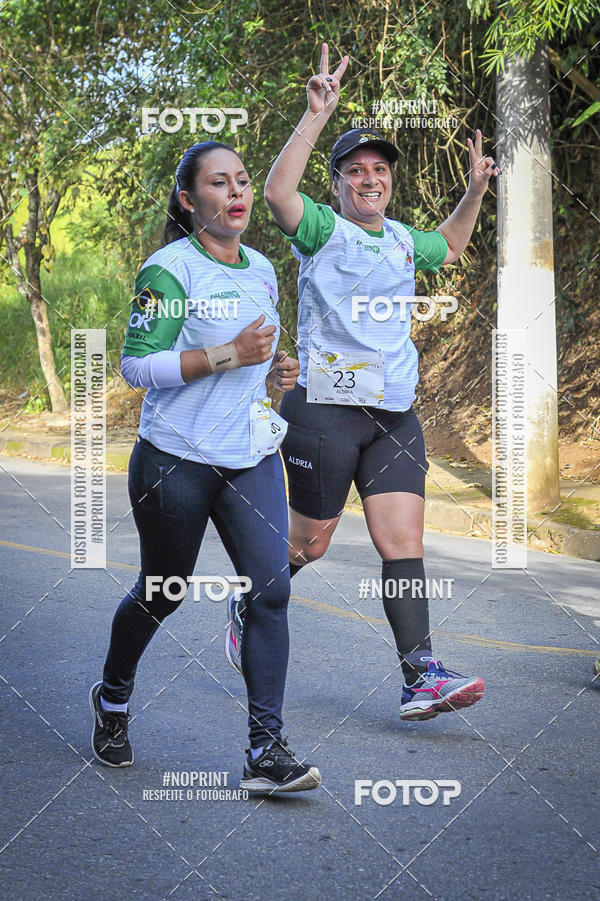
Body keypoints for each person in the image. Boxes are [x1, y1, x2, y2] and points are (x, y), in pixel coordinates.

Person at [227, 44, 498, 722]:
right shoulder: (322, 230)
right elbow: (276, 193)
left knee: (403, 542)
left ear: (389, 181)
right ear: (341, 181)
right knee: (310, 542)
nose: (369, 179)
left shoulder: (406, 240)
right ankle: (249, 596)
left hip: (393, 416)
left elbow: (454, 245)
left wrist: (472, 192)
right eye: (356, 171)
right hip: (323, 410)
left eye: (379, 169)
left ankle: (420, 677)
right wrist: (316, 115)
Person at [89, 141, 321, 794]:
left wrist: (277, 374)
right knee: (165, 590)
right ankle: (112, 694)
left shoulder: (263, 269)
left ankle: (265, 751)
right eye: (219, 183)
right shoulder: (167, 270)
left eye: (244, 180)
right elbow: (135, 367)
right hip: (175, 462)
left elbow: (256, 366)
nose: (238, 191)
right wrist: (225, 354)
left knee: (270, 590)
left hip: (249, 457)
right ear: (191, 202)